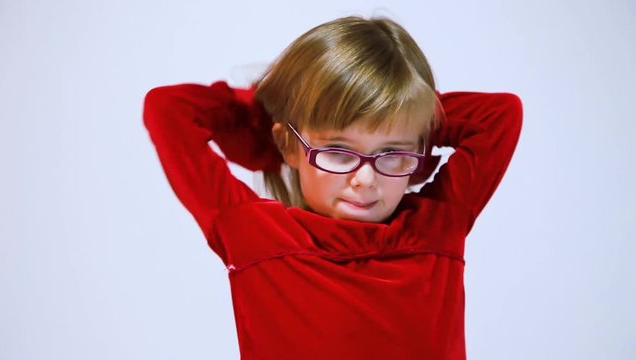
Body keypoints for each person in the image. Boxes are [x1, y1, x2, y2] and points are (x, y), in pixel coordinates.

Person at [143, 15, 522, 360]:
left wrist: (404, 111)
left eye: (391, 153)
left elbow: (500, 116)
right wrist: (282, 111)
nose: (365, 179)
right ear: (290, 145)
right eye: (339, 152)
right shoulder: (255, 234)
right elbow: (168, 110)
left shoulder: (437, 226)